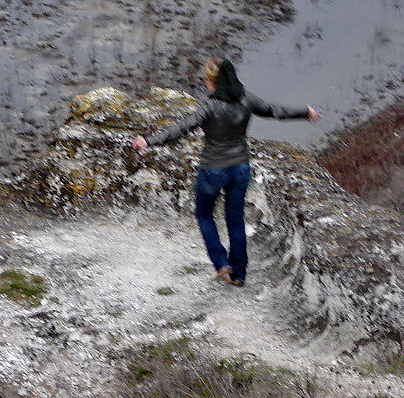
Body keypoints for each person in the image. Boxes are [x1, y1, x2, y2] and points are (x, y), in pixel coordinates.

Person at [132, 58, 321, 287]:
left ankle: (221, 263)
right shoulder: (246, 98)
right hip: (240, 168)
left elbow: (182, 127)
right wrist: (305, 112)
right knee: (235, 220)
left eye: (207, 80)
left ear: (213, 81)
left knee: (204, 215)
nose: (206, 84)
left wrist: (148, 141)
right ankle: (239, 275)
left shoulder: (210, 105)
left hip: (212, 169)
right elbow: (274, 110)